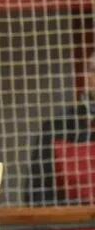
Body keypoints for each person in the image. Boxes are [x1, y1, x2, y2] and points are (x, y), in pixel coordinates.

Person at [29, 49, 95, 205]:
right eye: (93, 70)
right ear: (86, 77)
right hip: (73, 224)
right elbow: (37, 196)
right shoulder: (58, 128)